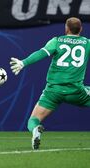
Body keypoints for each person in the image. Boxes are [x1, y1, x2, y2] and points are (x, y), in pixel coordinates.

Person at [10, 17, 90, 150]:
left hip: (53, 92)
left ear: (66, 28)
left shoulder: (57, 41)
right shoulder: (87, 43)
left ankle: (35, 129)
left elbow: (42, 53)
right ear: (81, 29)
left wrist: (23, 62)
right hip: (75, 91)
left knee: (33, 119)